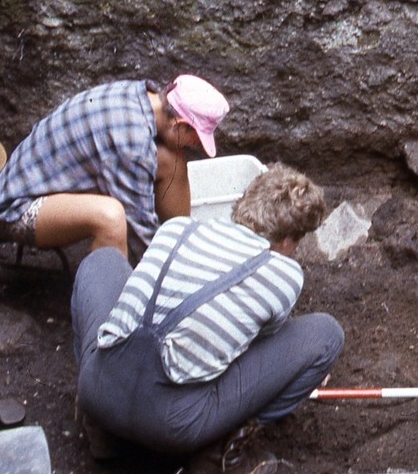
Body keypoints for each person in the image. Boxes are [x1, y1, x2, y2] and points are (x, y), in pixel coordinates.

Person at [71, 162, 344, 471]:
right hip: (175, 425)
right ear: (287, 241)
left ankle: (103, 433)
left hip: (98, 389)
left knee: (103, 260)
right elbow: (255, 347)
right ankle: (219, 449)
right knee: (326, 335)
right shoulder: (283, 272)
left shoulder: (177, 228)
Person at [0, 74, 230, 260]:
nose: (196, 145)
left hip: (43, 182)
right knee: (111, 218)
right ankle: (108, 312)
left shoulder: (142, 94)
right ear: (179, 126)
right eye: (196, 138)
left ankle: (181, 251)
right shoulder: (132, 143)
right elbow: (140, 234)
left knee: (172, 159)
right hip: (16, 209)